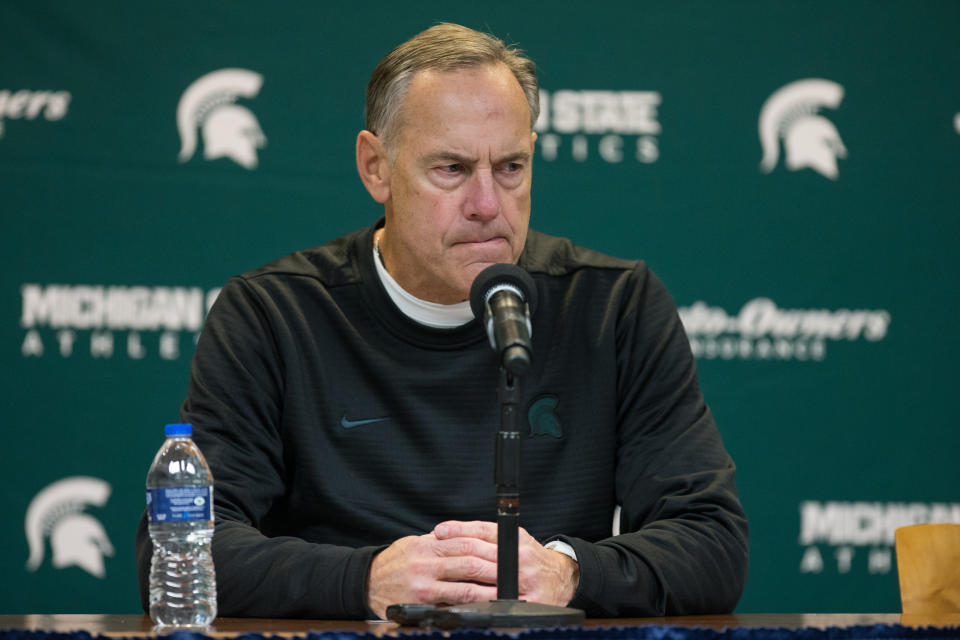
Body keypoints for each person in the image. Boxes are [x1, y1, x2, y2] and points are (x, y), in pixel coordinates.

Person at [136, 22, 748, 620]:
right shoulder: (272, 315)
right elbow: (180, 547)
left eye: (510, 168)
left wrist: (568, 572)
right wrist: (364, 578)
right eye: (451, 170)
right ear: (376, 167)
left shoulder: (614, 308)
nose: (488, 206)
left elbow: (713, 541)